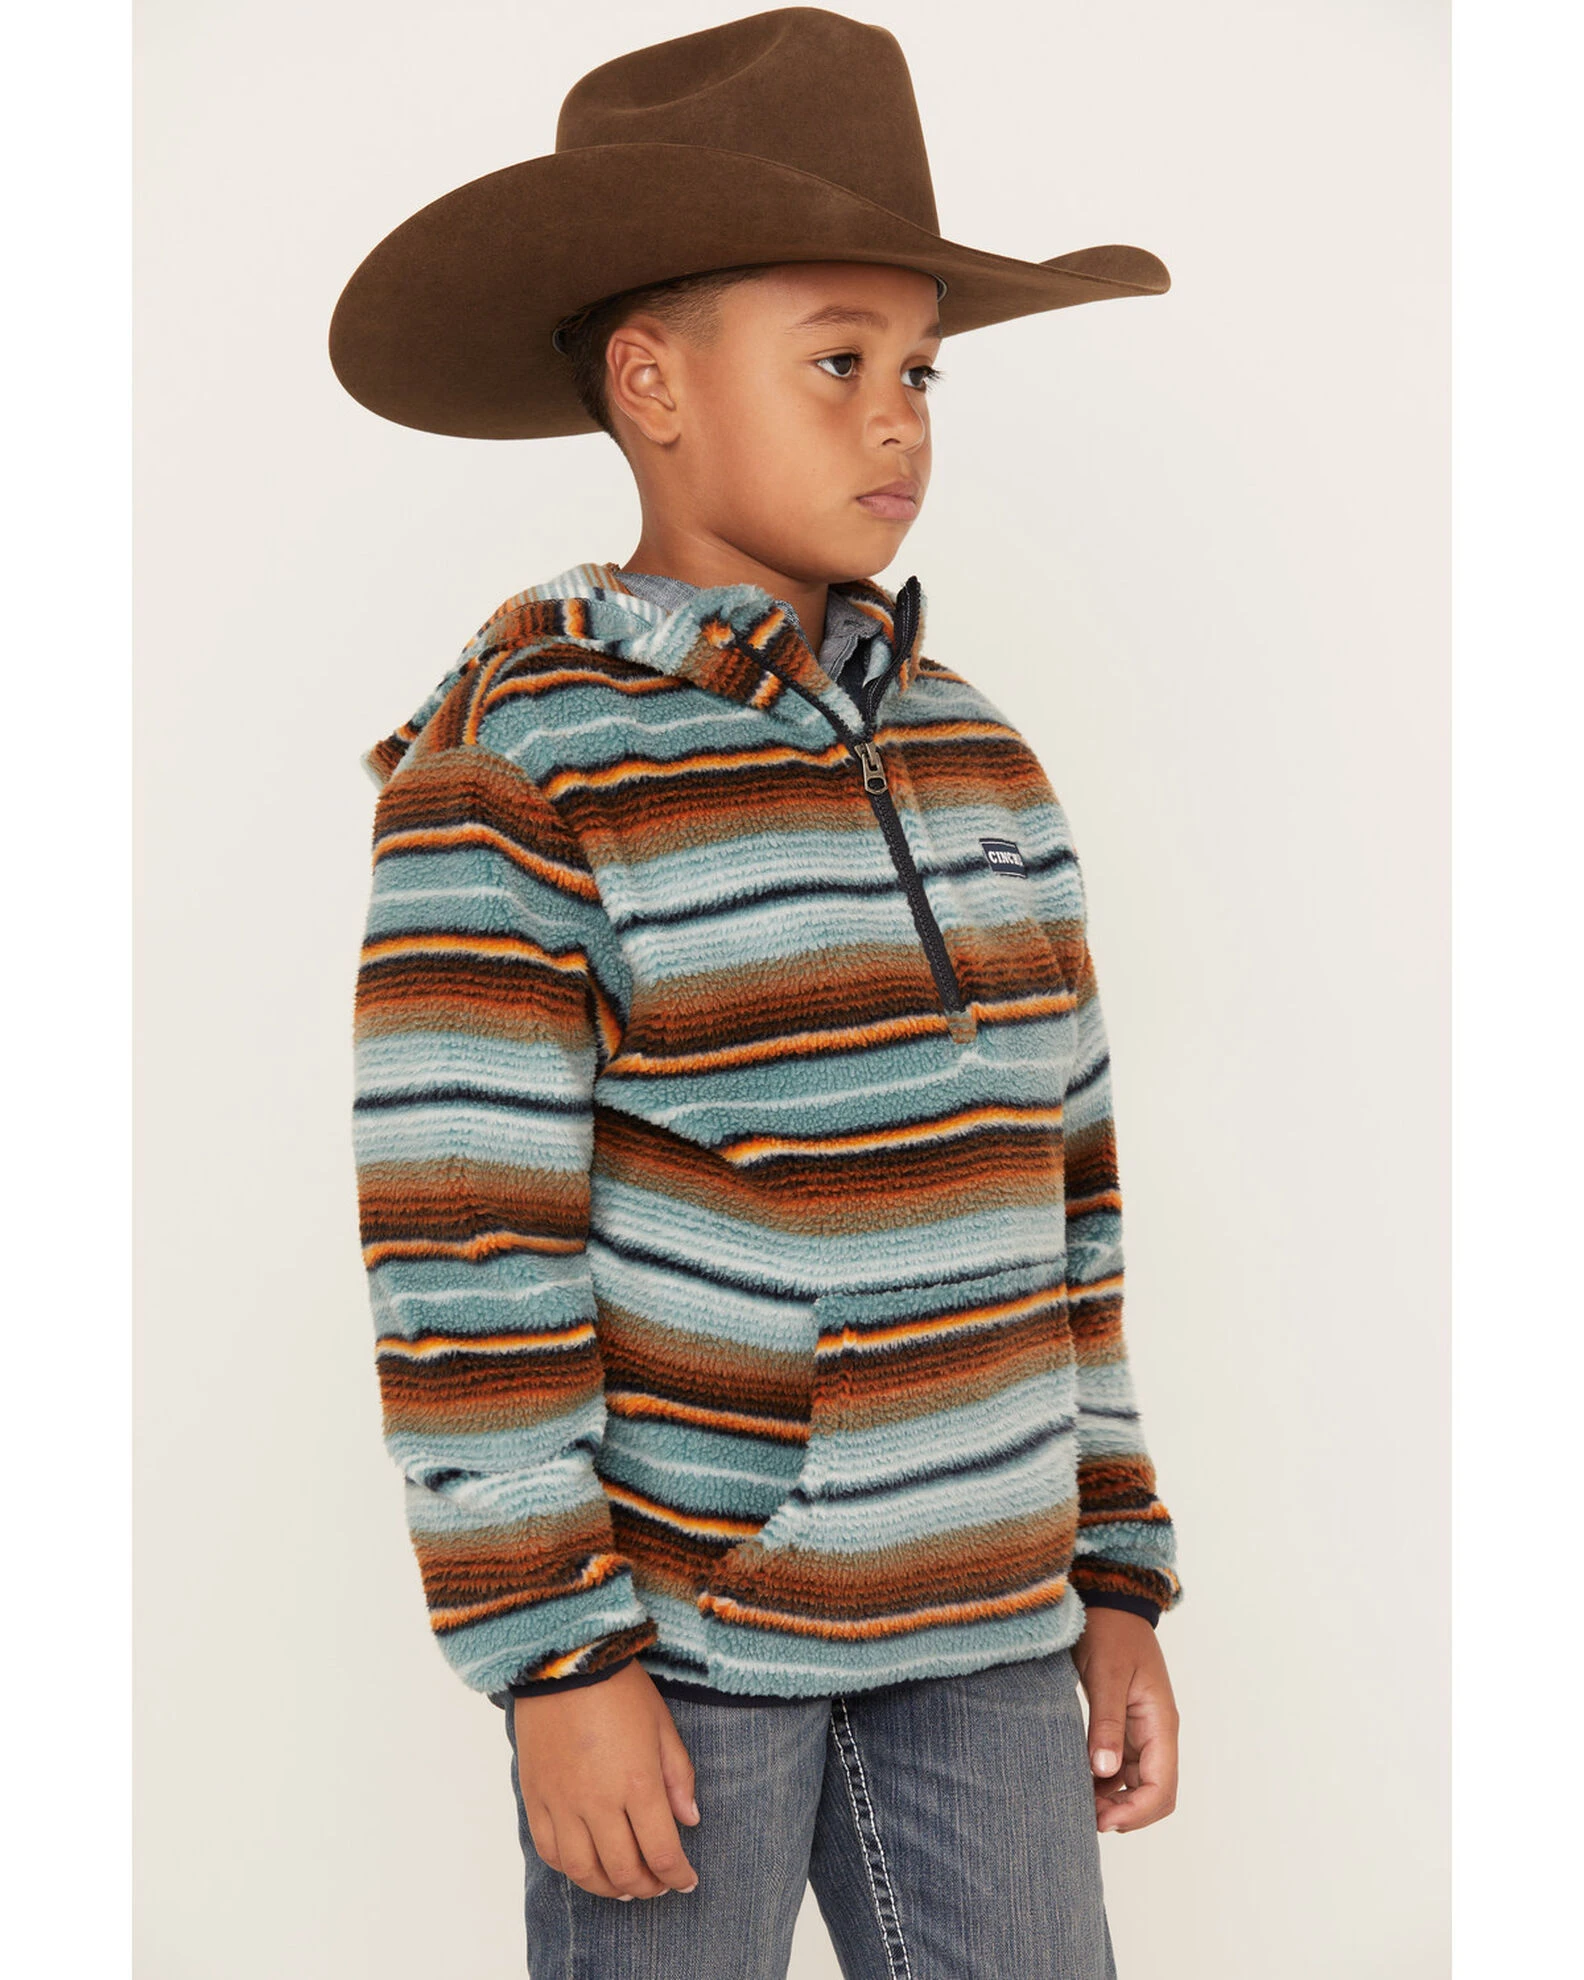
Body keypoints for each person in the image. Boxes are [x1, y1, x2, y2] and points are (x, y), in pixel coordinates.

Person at [332, 10, 1185, 1976]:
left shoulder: (981, 764)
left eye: (920, 370)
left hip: (991, 1621)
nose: (900, 421)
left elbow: (1070, 1196)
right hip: (686, 1643)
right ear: (652, 383)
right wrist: (556, 1654)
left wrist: (1116, 1572)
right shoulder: (521, 770)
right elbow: (465, 1244)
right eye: (837, 360)